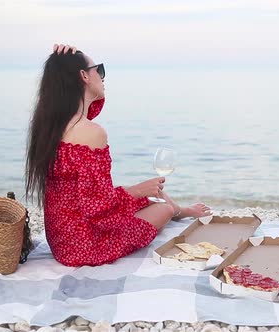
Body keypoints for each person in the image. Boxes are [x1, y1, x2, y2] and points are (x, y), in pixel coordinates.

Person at [25, 44, 212, 267]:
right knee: (162, 206)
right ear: (84, 76)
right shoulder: (91, 133)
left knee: (150, 195)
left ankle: (181, 210)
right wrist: (139, 189)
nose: (103, 78)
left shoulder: (51, 127)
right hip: (86, 246)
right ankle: (175, 211)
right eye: (99, 70)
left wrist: (64, 63)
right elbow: (99, 208)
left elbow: (89, 199)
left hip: (62, 240)